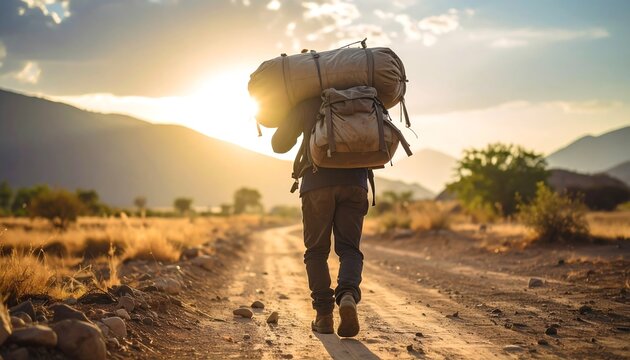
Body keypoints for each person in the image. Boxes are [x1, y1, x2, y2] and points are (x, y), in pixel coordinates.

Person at [271, 97, 369, 338]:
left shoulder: (308, 101)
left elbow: (279, 144)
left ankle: (324, 316)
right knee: (349, 249)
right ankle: (347, 295)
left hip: (317, 183)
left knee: (316, 251)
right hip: (355, 183)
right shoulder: (361, 97)